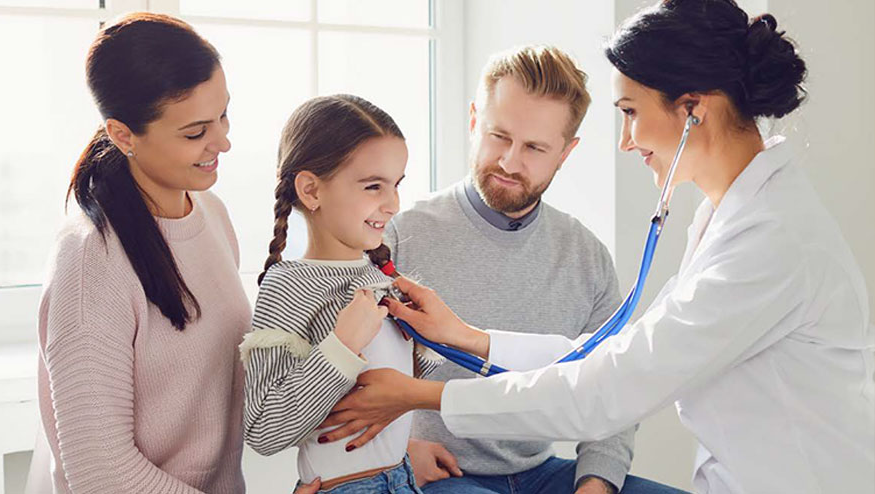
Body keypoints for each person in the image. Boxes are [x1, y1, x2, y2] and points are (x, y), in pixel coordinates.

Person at [317, 1, 875, 493]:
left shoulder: (771, 241)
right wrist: (470, 338)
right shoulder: (733, 216)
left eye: (631, 112)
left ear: (692, 110)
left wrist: (422, 396)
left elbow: (611, 387)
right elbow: (611, 358)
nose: (627, 141)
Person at [381, 45, 683, 494]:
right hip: (440, 473)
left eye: (535, 148)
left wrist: (595, 485)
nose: (509, 161)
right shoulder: (399, 236)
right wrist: (400, 450)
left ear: (566, 152)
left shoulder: (586, 257)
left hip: (546, 475)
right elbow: (347, 373)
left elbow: (613, 392)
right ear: (472, 122)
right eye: (498, 136)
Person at [31, 13, 249, 493]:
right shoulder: (90, 262)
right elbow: (101, 474)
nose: (223, 142)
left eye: (224, 115)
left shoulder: (212, 215)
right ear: (123, 134)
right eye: (195, 133)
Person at [239, 94, 443, 493]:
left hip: (403, 480)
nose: (393, 204)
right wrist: (342, 345)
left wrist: (428, 341)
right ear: (311, 191)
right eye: (373, 186)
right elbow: (263, 430)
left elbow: (394, 394)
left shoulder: (382, 277)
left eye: (396, 185)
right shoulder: (287, 287)